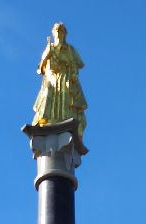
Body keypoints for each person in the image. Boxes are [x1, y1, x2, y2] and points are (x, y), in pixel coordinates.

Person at [32, 22, 88, 152]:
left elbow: (79, 64)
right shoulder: (49, 47)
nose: (59, 34)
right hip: (52, 80)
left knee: (68, 102)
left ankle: (68, 125)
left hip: (65, 79)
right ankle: (48, 121)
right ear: (53, 33)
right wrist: (47, 56)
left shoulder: (70, 49)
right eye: (57, 31)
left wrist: (69, 65)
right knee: (48, 99)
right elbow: (40, 69)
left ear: (65, 34)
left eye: (61, 31)